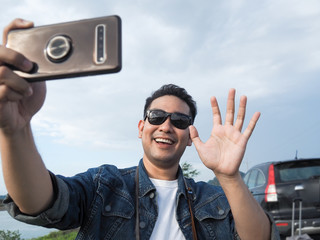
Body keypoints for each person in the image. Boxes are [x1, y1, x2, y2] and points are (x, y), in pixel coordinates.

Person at [0, 19, 280, 240]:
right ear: (141, 127)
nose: (167, 126)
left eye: (180, 121)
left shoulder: (214, 197)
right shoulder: (103, 185)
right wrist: (16, 129)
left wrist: (229, 176)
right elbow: (39, 203)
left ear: (191, 137)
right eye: (156, 116)